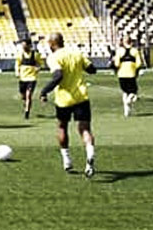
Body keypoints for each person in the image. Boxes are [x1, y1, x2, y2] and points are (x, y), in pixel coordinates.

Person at [39, 32, 98, 178]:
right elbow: (92, 69)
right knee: (85, 129)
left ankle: (67, 160)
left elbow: (58, 76)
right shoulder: (76, 53)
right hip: (81, 97)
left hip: (64, 99)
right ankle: (90, 152)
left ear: (52, 44)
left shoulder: (53, 57)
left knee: (62, 127)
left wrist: (44, 91)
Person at [111, 35, 143, 118]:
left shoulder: (119, 51)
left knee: (125, 92)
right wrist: (134, 67)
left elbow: (117, 64)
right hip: (131, 74)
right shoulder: (135, 51)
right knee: (133, 91)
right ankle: (128, 101)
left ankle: (126, 111)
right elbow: (139, 63)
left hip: (121, 74)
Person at [14, 38, 43, 120]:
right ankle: (26, 103)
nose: (23, 47)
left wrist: (38, 68)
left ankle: (27, 113)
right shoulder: (20, 55)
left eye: (25, 45)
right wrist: (17, 72)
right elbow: (17, 64)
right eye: (22, 45)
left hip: (32, 78)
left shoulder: (35, 54)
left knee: (28, 95)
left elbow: (40, 64)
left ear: (29, 45)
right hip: (22, 78)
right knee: (23, 96)